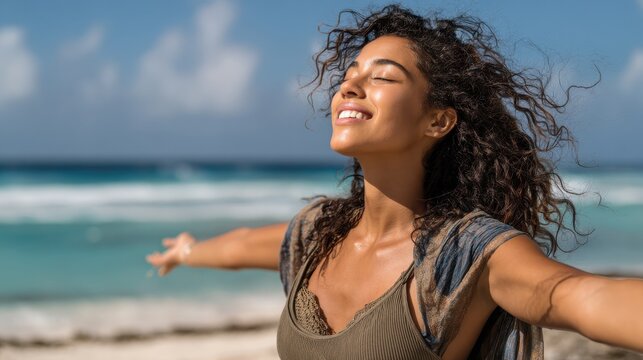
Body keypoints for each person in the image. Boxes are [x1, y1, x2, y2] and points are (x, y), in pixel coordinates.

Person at [146, 4, 643, 359]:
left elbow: (571, 294)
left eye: (382, 77)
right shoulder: (318, 233)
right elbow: (242, 247)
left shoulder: (466, 255)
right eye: (350, 72)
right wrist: (187, 251)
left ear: (438, 122)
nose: (350, 85)